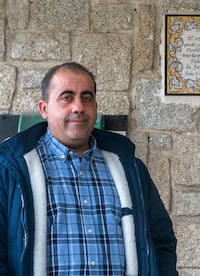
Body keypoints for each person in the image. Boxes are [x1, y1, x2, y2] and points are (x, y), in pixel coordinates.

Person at [0, 62, 178, 275]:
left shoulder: (131, 169)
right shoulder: (11, 171)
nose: (78, 107)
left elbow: (162, 242)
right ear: (44, 109)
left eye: (87, 98)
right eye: (67, 97)